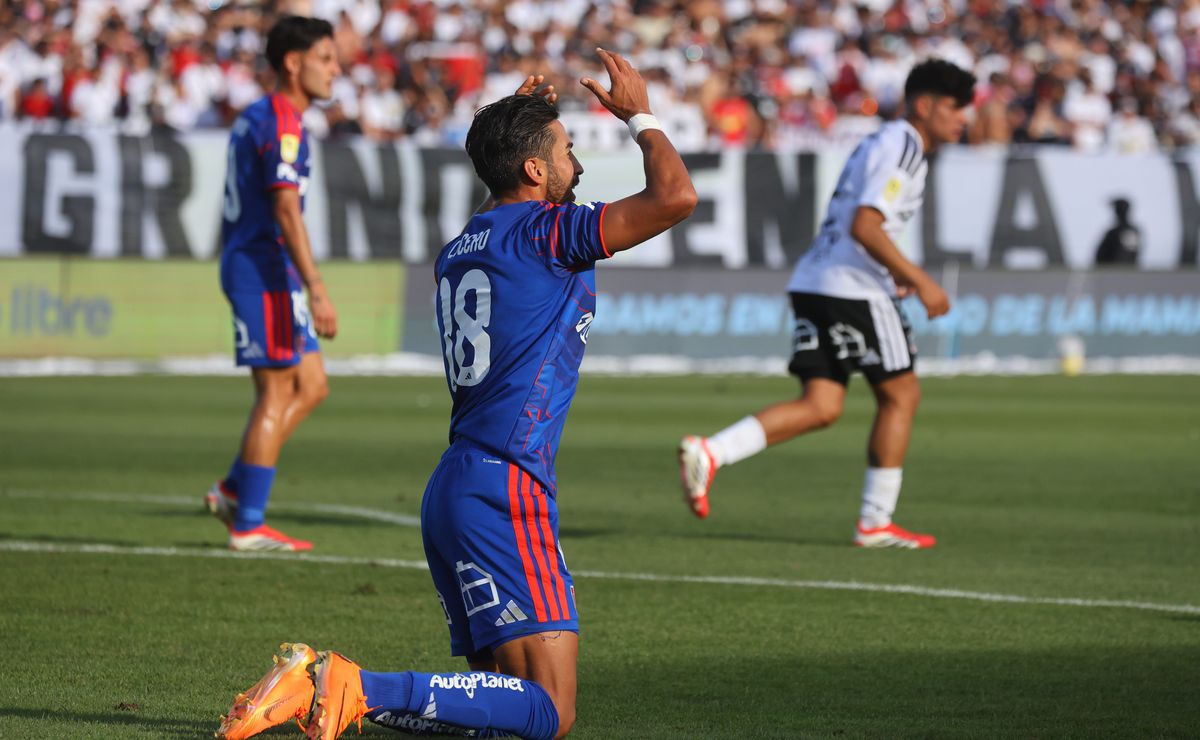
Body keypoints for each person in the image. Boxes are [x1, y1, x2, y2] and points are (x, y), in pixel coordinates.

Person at [215, 49, 696, 740]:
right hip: (509, 486)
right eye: (564, 149)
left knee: (495, 703)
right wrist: (640, 114)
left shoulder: (463, 245)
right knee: (549, 711)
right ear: (534, 171)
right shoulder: (550, 234)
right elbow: (676, 197)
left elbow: (501, 192)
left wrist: (512, 120)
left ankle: (335, 692)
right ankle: (345, 684)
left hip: (456, 487)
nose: (578, 163)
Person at [678, 59, 976, 549]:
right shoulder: (904, 144)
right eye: (954, 107)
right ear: (924, 105)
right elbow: (866, 225)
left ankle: (711, 452)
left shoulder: (889, 142)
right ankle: (875, 521)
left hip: (818, 279)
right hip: (851, 286)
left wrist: (894, 274)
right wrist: (920, 280)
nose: (963, 118)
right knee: (901, 394)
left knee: (821, 405)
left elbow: (859, 226)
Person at [204, 16, 340, 552]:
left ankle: (235, 488)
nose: (336, 70)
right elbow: (285, 207)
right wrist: (317, 286)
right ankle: (247, 523)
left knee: (312, 386)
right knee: (278, 389)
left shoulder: (258, 114)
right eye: (325, 59)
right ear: (293, 62)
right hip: (265, 268)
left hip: (263, 264)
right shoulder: (283, 122)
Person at [1093, 197, 1141, 266]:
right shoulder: (1132, 231)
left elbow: (1125, 256)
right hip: (1121, 273)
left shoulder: (1116, 232)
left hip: (1115, 273)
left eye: (1116, 210)